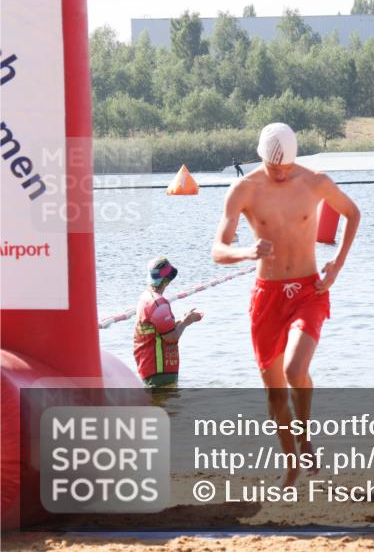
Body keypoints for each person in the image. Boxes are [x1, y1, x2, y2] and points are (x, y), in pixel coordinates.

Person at [212, 123, 361, 487]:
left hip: (310, 290)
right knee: (275, 395)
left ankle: (305, 436)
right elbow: (218, 249)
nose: (280, 173)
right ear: (260, 157)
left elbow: (352, 213)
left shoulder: (315, 182)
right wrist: (246, 252)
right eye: (273, 166)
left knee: (296, 370)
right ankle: (291, 464)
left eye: (286, 167)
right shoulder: (244, 189)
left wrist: (337, 265)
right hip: (268, 295)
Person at [133, 256, 204, 388]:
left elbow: (159, 331)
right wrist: (186, 322)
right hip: (159, 371)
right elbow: (171, 337)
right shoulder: (158, 304)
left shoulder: (145, 297)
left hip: (148, 367)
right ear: (166, 281)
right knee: (166, 400)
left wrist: (182, 320)